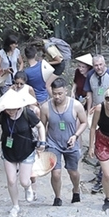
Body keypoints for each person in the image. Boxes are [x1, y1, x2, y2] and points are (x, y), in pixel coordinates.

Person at [0, 87, 47, 217]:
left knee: (24, 181)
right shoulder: (3, 115)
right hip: (8, 151)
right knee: (11, 180)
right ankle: (15, 205)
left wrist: (42, 141)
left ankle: (28, 187)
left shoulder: (26, 113)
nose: (10, 111)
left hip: (26, 149)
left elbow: (40, 126)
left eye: (13, 109)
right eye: (8, 109)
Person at [40, 78, 88, 206]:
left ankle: (76, 189)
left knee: (73, 172)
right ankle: (57, 197)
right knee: (56, 173)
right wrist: (42, 143)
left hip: (70, 142)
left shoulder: (76, 105)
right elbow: (42, 126)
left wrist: (76, 135)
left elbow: (84, 122)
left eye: (60, 93)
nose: (57, 96)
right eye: (55, 93)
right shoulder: (45, 107)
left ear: (66, 91)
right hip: (53, 143)